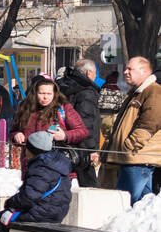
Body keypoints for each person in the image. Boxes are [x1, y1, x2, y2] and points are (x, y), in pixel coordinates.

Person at [0, 130, 72, 232]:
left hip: (43, 212)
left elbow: (29, 197)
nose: (24, 151)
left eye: (26, 148)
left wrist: (10, 203)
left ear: (33, 150)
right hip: (55, 210)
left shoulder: (42, 167)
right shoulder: (54, 161)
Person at [104, 56, 161, 205]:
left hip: (136, 157)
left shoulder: (153, 91)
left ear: (144, 71)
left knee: (123, 203)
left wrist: (129, 146)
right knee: (143, 206)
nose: (125, 71)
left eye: (130, 69)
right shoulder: (137, 92)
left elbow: (150, 123)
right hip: (135, 158)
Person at [10, 75, 88, 174]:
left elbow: (82, 131)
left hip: (57, 167)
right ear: (35, 93)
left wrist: (65, 136)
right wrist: (16, 136)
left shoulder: (63, 108)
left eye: (49, 93)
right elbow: (13, 131)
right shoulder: (25, 108)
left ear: (55, 94)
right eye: (41, 93)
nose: (45, 97)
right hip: (30, 166)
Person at [57, 59, 102, 187]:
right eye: (94, 73)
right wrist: (91, 149)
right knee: (90, 185)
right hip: (81, 146)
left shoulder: (64, 84)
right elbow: (86, 121)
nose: (95, 77)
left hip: (63, 141)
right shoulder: (87, 91)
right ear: (89, 73)